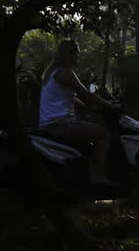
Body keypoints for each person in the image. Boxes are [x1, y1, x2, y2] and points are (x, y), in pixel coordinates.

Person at [37, 39, 117, 185]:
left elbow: (69, 97)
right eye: (76, 53)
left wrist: (88, 107)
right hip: (61, 124)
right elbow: (86, 93)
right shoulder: (65, 73)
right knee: (104, 135)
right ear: (69, 54)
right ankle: (99, 176)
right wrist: (110, 106)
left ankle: (86, 175)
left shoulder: (50, 74)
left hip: (49, 124)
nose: (78, 57)